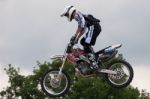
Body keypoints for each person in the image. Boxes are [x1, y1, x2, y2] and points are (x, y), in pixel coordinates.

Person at [61, 5, 101, 71]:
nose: (67, 16)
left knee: (86, 43)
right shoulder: (78, 16)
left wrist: (75, 37)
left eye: (67, 15)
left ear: (70, 11)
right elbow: (82, 28)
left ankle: (94, 62)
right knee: (82, 41)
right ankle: (92, 56)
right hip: (93, 28)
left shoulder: (77, 15)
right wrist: (76, 37)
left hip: (94, 28)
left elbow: (82, 27)